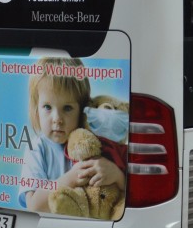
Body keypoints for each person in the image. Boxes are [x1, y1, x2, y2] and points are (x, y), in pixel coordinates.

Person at [19, 56, 126, 214]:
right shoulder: (37, 148)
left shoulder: (93, 141)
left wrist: (117, 176)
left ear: (83, 109)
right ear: (36, 109)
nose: (57, 119)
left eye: (67, 108)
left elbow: (128, 190)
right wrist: (71, 178)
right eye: (48, 107)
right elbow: (34, 204)